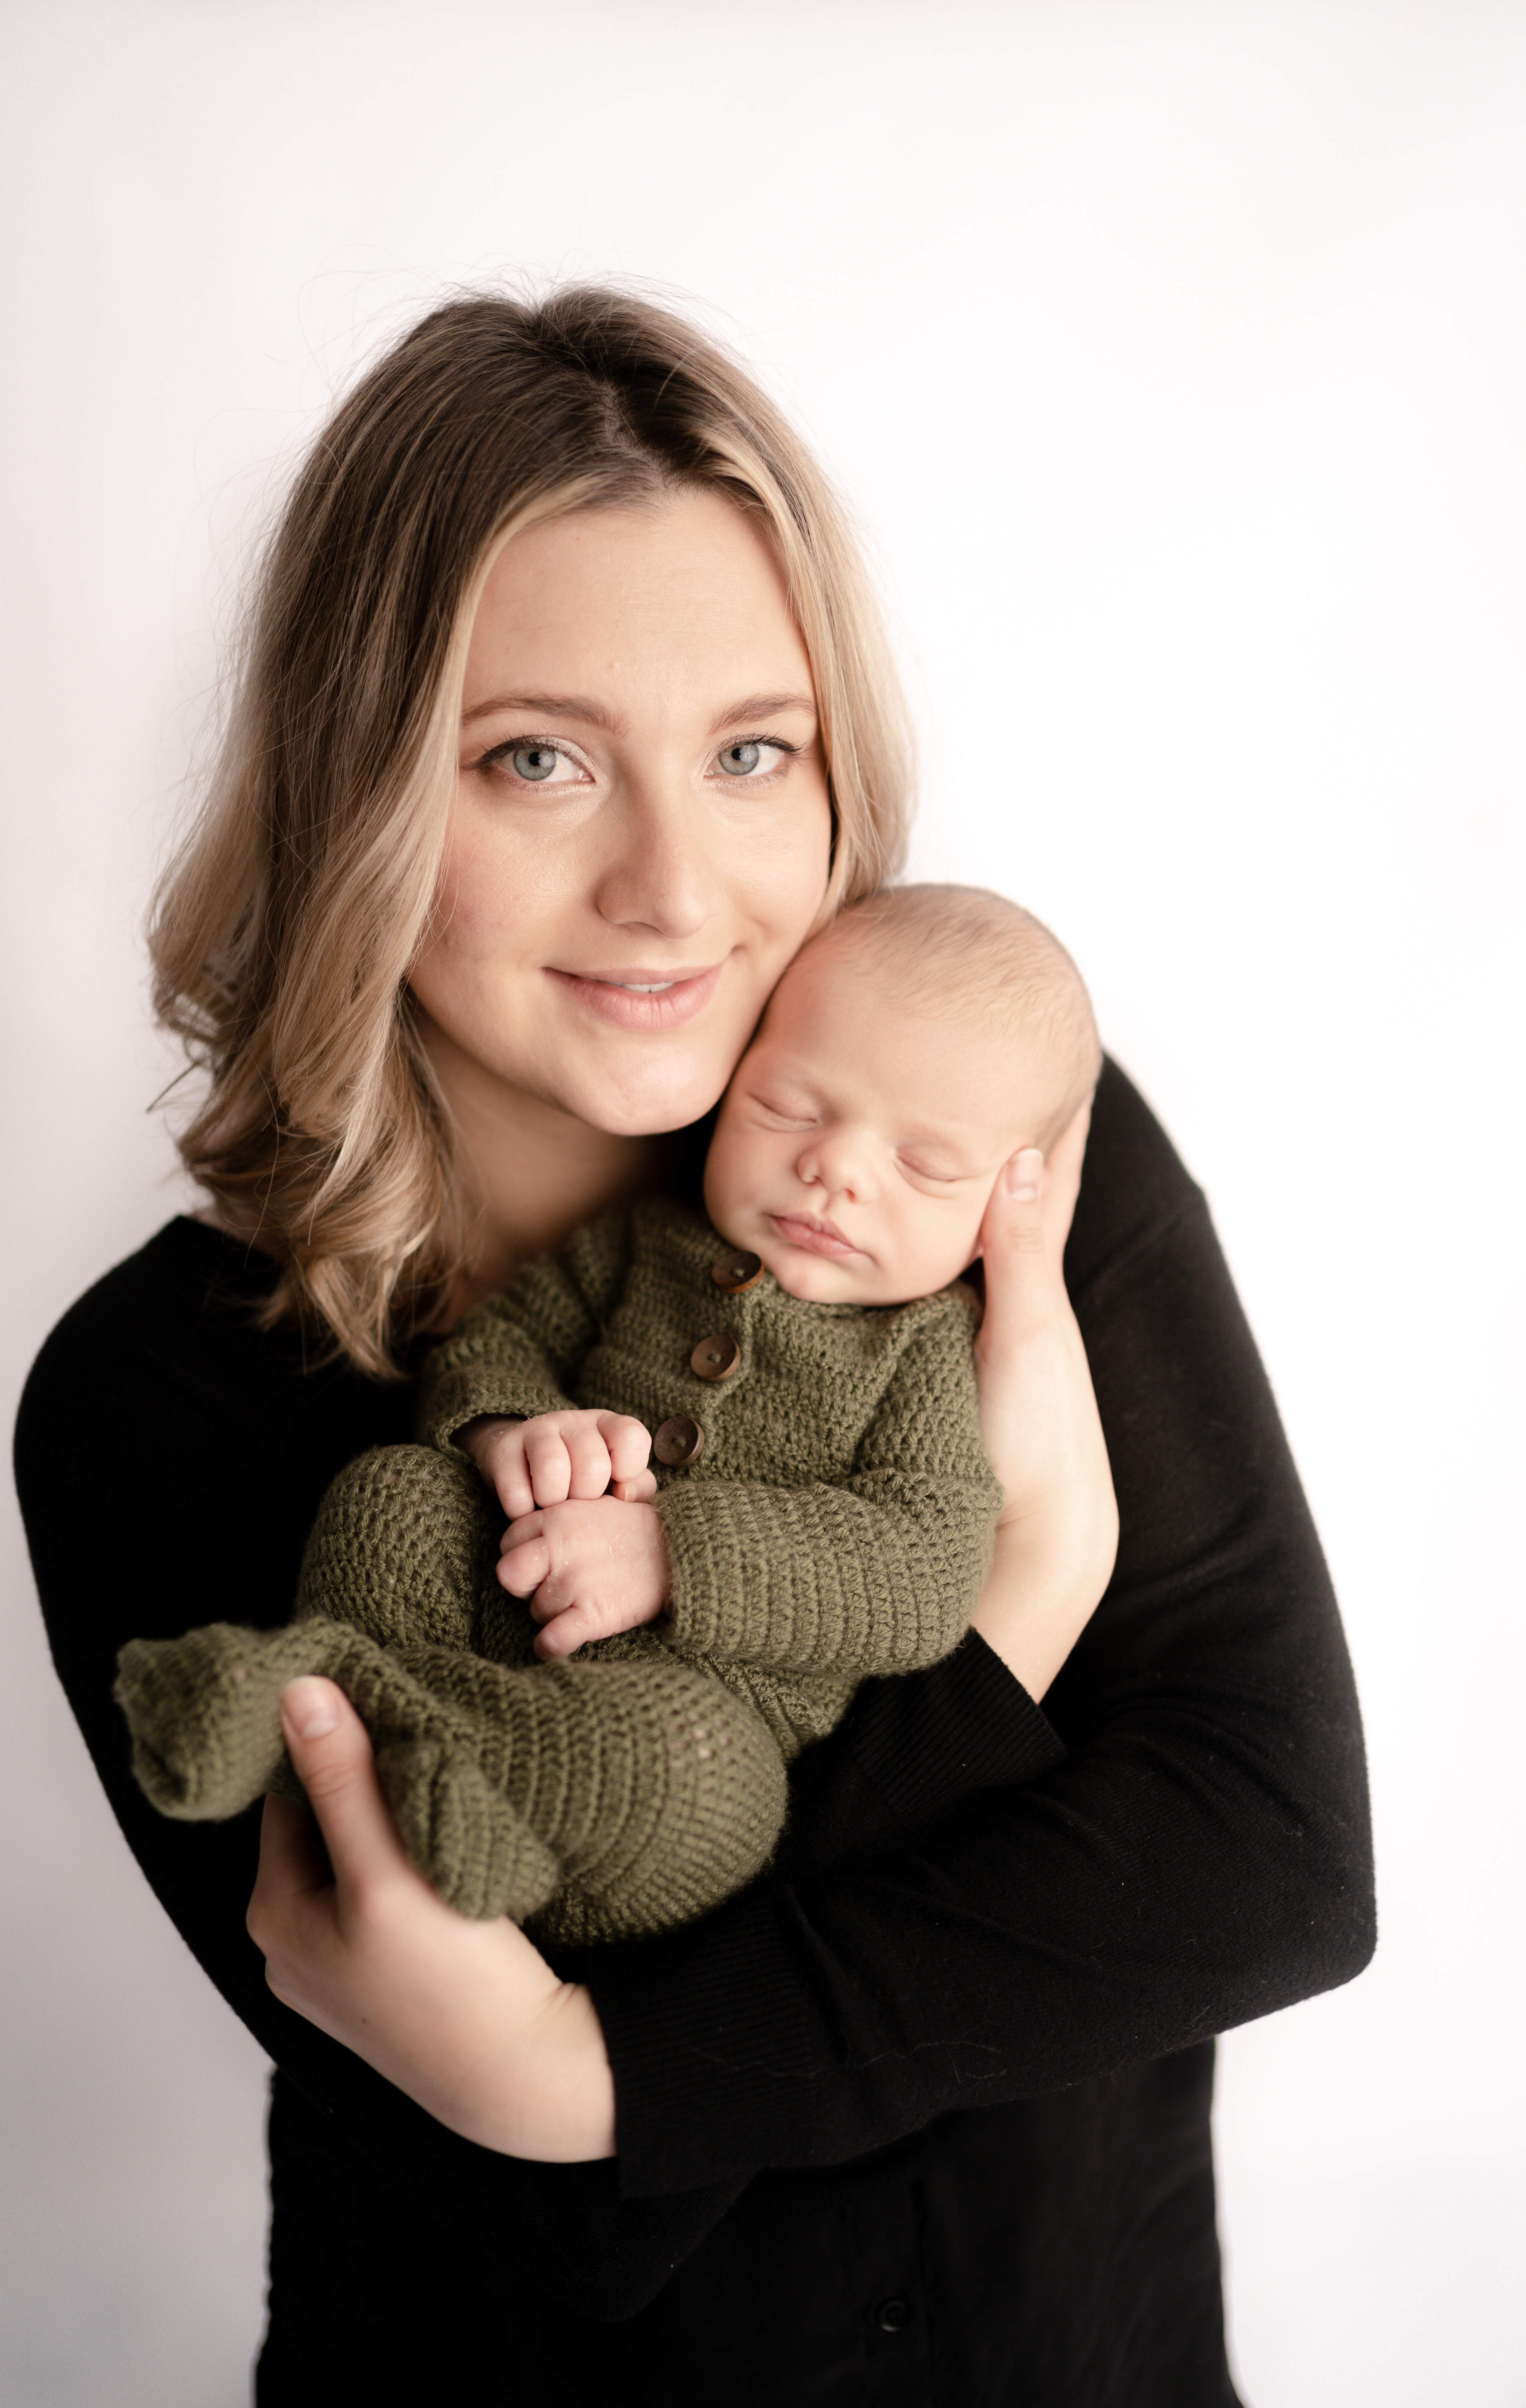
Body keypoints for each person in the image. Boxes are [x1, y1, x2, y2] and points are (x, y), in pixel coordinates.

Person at [14, 287, 1374, 2404]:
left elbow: (1272, 1866)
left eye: (753, 753)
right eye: (538, 758)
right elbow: (539, 2212)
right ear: (364, 788)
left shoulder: (992, 1164)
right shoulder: (157, 1398)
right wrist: (1004, 1620)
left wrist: (583, 2067)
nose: (674, 887)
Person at [112, 885, 1102, 1944]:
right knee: (395, 1493)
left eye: (924, 1166)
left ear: (1008, 1204)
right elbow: (500, 1344)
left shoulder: (919, 1353)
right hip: (499, 1597)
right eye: (791, 1107)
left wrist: (672, 1554)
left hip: (682, 1725)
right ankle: (433, 1780)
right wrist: (512, 1429)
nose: (836, 1170)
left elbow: (921, 1572)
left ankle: (327, 1717)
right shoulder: (644, 1243)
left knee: (713, 1785)